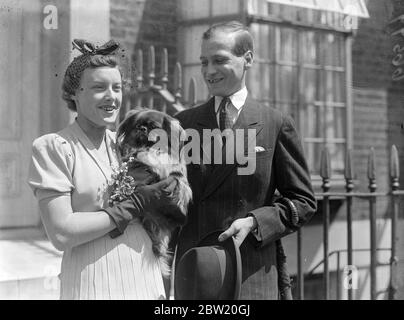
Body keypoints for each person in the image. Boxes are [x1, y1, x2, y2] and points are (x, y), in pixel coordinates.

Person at [174, 21, 317, 299]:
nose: (209, 71)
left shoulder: (274, 123)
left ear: (247, 59)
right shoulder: (183, 123)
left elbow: (304, 202)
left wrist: (254, 222)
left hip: (250, 273)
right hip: (194, 274)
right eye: (204, 62)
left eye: (219, 60)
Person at [28, 39, 177, 300]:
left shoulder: (128, 144)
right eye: (99, 87)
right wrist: (132, 206)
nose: (112, 97)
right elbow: (61, 232)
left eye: (117, 88)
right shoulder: (55, 148)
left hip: (145, 279)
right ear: (75, 92)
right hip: (93, 281)